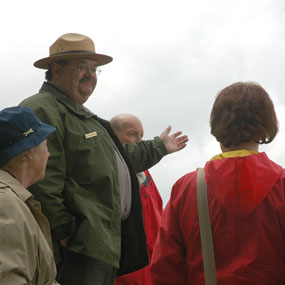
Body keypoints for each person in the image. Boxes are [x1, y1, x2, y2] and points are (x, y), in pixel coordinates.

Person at [19, 33, 188, 285]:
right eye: (81, 67)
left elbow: (120, 158)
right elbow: (42, 179)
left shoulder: (85, 116)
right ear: (56, 69)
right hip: (77, 250)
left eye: (94, 69)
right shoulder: (43, 107)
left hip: (98, 247)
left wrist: (159, 147)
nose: (90, 74)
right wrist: (65, 233)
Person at [150, 82, 285, 284]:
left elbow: (165, 269)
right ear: (266, 126)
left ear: (218, 126)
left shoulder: (186, 189)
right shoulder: (281, 185)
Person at [0, 106, 58, 284]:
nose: (49, 154)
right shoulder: (6, 205)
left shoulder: (14, 201)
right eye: (45, 146)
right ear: (27, 154)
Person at [110, 114, 163, 285]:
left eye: (142, 135)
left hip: (152, 269)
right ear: (113, 137)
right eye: (133, 134)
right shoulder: (107, 177)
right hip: (124, 272)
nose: (140, 140)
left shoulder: (146, 176)